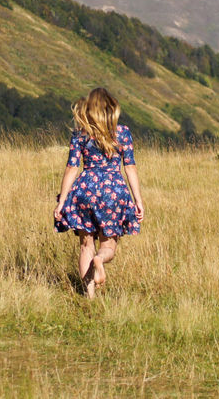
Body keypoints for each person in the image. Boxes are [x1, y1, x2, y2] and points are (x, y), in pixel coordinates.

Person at [53, 87, 144, 297]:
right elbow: (130, 167)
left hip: (84, 190)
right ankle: (100, 260)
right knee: (108, 246)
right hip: (114, 191)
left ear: (90, 108)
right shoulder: (122, 133)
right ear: (111, 108)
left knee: (86, 246)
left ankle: (89, 298)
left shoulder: (80, 135)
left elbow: (71, 167)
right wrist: (138, 200)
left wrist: (62, 202)